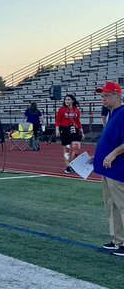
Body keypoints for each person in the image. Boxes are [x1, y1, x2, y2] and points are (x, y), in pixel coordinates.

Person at [92, 81, 124, 257]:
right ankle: (117, 240)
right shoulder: (112, 114)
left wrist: (112, 154)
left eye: (106, 95)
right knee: (111, 206)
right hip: (107, 169)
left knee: (122, 206)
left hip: (118, 169)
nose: (103, 99)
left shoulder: (123, 113)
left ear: (116, 95)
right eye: (102, 95)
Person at [55, 94, 85, 174]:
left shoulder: (76, 110)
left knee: (76, 149)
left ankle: (72, 164)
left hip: (74, 129)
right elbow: (57, 120)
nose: (67, 101)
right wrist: (57, 129)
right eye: (66, 100)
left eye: (68, 99)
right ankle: (68, 166)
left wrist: (81, 131)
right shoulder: (62, 109)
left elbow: (78, 121)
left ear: (72, 100)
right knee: (67, 149)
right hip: (64, 130)